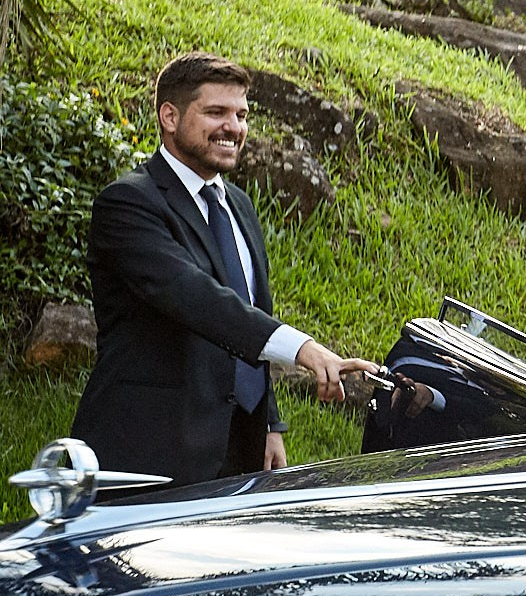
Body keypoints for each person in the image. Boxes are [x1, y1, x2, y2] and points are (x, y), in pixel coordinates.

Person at [71, 53, 380, 488]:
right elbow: (196, 298)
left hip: (240, 447)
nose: (233, 127)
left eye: (241, 114)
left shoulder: (239, 205)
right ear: (170, 117)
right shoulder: (128, 203)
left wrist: (269, 422)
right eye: (216, 112)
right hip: (150, 448)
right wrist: (303, 349)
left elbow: (250, 305)